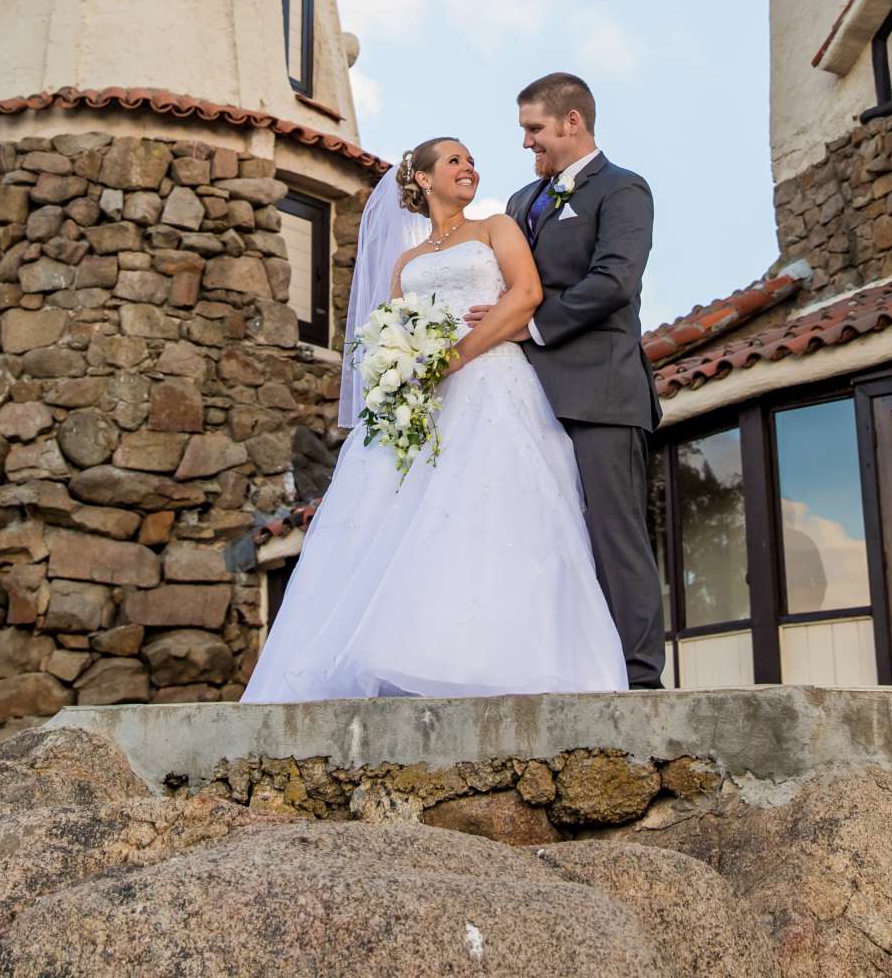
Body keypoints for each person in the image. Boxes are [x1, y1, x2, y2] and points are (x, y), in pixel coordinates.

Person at [241, 135, 626, 701]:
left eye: (472, 159)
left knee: (491, 512)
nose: (469, 167)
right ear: (423, 179)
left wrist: (459, 354)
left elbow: (526, 295)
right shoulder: (406, 262)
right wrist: (401, 368)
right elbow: (390, 328)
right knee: (399, 524)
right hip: (423, 399)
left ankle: (503, 660)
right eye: (455, 160)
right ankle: (394, 653)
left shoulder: (496, 229)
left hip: (492, 384)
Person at [488, 72, 666, 690]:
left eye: (534, 129)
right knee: (540, 534)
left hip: (601, 393)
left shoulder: (622, 190)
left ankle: (640, 681)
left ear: (572, 122)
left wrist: (531, 326)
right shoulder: (518, 203)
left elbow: (615, 280)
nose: (526, 143)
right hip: (524, 396)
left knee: (614, 537)